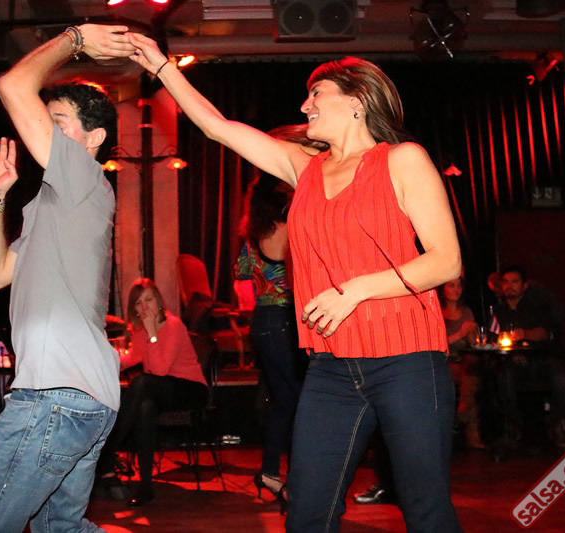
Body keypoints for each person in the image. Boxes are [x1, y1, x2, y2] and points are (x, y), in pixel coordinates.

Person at [127, 37, 462, 532]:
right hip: (330, 366)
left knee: (425, 509)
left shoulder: (402, 159)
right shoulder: (303, 168)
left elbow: (446, 261)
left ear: (357, 99)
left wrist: (356, 290)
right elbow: (217, 126)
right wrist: (162, 66)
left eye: (316, 93)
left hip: (407, 359)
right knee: (306, 511)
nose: (305, 105)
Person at [0, 25, 135, 532]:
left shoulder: (84, 177)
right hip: (79, 398)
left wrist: (75, 38)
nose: (45, 131)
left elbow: (14, 85)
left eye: (60, 123)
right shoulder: (53, 207)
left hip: (55, 397)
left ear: (93, 139)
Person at [97, 278, 208, 506]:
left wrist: (152, 333)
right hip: (161, 389)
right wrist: (104, 361)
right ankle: (145, 486)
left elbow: (159, 369)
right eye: (138, 303)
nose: (144, 306)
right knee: (145, 406)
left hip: (191, 388)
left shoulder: (173, 325)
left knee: (142, 383)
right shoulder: (140, 330)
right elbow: (132, 358)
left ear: (158, 301)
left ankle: (107, 451)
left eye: (148, 299)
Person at [236, 173, 306, 513]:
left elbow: (240, 276)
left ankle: (269, 472)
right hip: (284, 322)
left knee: (285, 401)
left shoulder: (253, 237)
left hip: (262, 323)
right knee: (302, 401)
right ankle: (298, 481)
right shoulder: (291, 229)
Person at [493, 265, 565, 448]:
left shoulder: (536, 306)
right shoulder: (497, 311)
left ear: (524, 285)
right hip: (511, 360)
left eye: (514, 282)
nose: (509, 286)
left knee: (560, 379)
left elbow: (545, 333)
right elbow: (492, 339)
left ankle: (556, 424)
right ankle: (512, 426)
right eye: (506, 282)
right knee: (504, 376)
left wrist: (524, 334)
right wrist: (513, 353)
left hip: (542, 357)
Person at [441, 276, 486, 448]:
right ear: (442, 289)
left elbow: (473, 344)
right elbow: (438, 344)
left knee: (472, 365)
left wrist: (472, 335)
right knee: (468, 374)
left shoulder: (466, 311)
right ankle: (466, 421)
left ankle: (463, 411)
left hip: (465, 361)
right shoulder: (437, 312)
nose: (456, 289)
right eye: (451, 285)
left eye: (459, 286)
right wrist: (460, 333)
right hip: (445, 362)